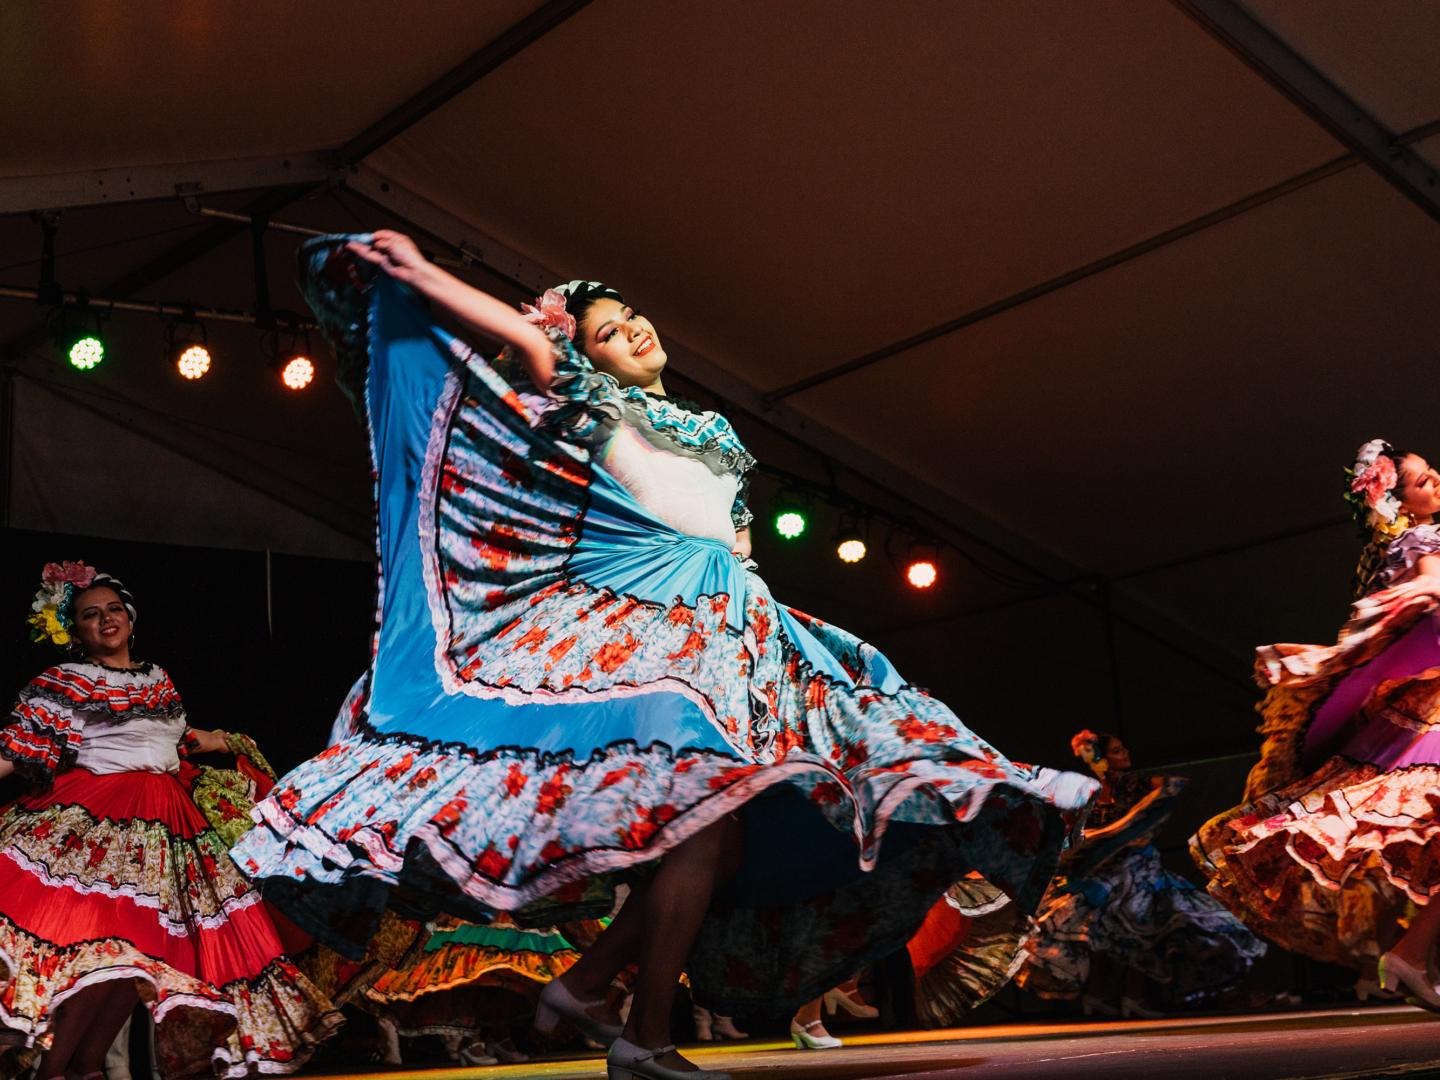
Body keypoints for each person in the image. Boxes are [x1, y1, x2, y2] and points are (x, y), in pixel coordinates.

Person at [232, 232, 1098, 1080]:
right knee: (702, 825)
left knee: (716, 845)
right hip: (647, 633)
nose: (634, 330)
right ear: (589, 355)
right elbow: (531, 338)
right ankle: (641, 1035)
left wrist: (767, 636)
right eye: (609, 331)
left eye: (633, 317)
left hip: (737, 633)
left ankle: (582, 986)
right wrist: (422, 274)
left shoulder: (714, 428)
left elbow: (740, 544)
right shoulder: (592, 404)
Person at [0, 563, 341, 1078]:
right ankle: (55, 1069)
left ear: (131, 618)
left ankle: (87, 1064)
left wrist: (232, 742)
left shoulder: (158, 679)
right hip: (101, 827)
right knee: (102, 957)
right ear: (76, 631)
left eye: (114, 608)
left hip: (167, 831)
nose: (106, 619)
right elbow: (16, 751)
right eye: (91, 615)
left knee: (139, 960)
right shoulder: (66, 682)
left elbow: (177, 742)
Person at [1195, 440, 1440, 1007]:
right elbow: (1432, 583)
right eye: (1424, 480)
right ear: (1399, 503)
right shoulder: (1424, 540)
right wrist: (1411, 595)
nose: (1437, 482)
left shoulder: (1398, 543)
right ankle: (1410, 954)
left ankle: (1411, 954)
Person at [1016, 731, 1263, 1016]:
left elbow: (1170, 787)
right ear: (1101, 758)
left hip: (1137, 872)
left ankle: (1133, 997)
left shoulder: (1132, 785)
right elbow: (1068, 829)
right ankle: (1102, 997)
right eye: (1118, 751)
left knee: (1145, 931)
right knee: (1102, 934)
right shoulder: (1086, 793)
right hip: (1101, 874)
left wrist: (1123, 828)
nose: (1126, 755)